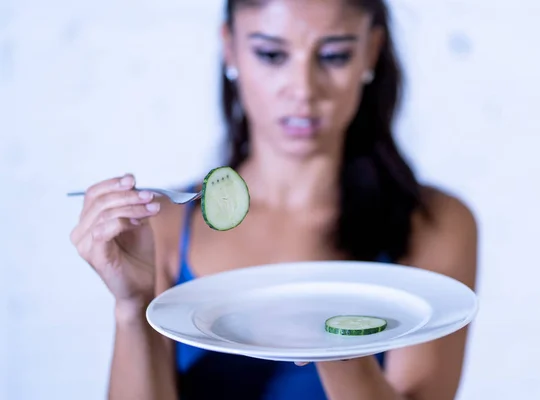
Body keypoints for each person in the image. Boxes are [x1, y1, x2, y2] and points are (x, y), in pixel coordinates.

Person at [69, 0, 478, 399]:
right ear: (230, 49)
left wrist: (331, 343)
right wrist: (131, 306)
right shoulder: (164, 226)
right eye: (270, 54)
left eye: (334, 55)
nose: (302, 89)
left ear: (370, 52)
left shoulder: (436, 224)